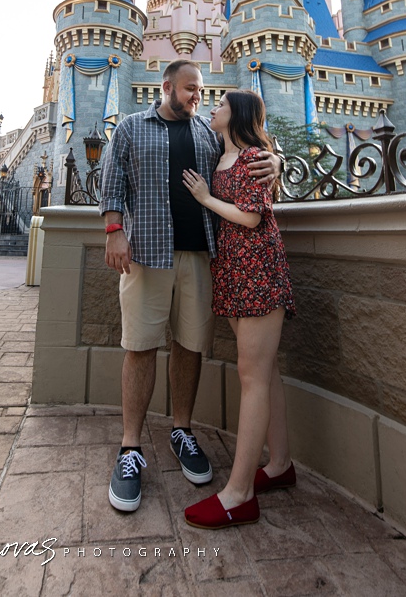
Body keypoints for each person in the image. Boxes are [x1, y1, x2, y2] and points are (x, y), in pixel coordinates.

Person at [100, 59, 279, 514]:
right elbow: (111, 181)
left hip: (200, 257)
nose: (197, 96)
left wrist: (275, 160)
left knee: (189, 346)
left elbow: (249, 145)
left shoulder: (206, 133)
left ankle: (182, 430)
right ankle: (130, 448)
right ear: (166, 87)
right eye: (190, 89)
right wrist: (114, 230)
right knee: (139, 346)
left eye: (201, 90)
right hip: (147, 254)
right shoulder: (130, 127)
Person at [179, 89, 296, 529]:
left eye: (221, 106)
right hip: (231, 269)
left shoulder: (252, 157)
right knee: (265, 372)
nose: (213, 108)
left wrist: (207, 198)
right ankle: (280, 464)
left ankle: (240, 492)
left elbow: (250, 217)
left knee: (252, 376)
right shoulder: (221, 153)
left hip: (256, 270)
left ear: (238, 114)